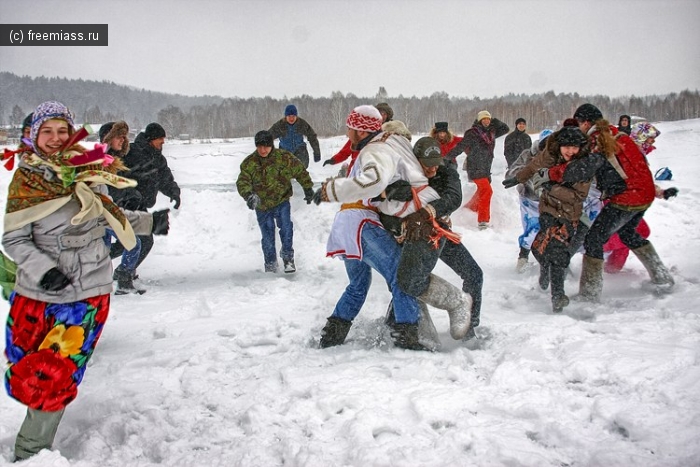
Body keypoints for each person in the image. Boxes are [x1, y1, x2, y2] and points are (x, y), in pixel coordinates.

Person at [2, 101, 166, 461]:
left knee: (53, 372)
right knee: (25, 366)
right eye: (48, 131)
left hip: (88, 291)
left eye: (63, 131)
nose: (56, 138)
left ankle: (31, 451)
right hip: (37, 294)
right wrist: (44, 270)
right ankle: (38, 433)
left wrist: (149, 223)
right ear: (32, 135)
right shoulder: (26, 180)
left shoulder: (88, 171)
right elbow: (13, 239)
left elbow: (110, 214)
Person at [314, 106, 472, 348]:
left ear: (358, 129)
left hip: (346, 225)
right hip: (361, 223)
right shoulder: (378, 149)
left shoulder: (375, 149)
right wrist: (332, 190)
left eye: (349, 127)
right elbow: (375, 182)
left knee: (358, 285)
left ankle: (331, 336)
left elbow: (378, 180)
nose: (346, 132)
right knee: (401, 276)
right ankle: (408, 336)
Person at [564, 104, 674, 301]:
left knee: (593, 240)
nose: (578, 127)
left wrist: (560, 173)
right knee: (628, 233)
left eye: (579, 123)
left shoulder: (597, 139)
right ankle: (662, 277)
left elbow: (587, 168)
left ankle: (589, 296)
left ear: (586, 122)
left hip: (627, 198)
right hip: (644, 194)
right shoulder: (616, 134)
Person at [383, 136, 484, 339]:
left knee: (473, 273)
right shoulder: (403, 172)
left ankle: (469, 327)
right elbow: (386, 201)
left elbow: (454, 197)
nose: (432, 170)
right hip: (413, 236)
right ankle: (408, 327)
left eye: (434, 165)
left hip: (439, 233)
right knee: (409, 280)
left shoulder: (446, 170)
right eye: (426, 166)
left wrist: (427, 212)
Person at [504, 124, 594, 312]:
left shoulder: (584, 165)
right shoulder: (550, 155)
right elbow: (533, 166)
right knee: (539, 246)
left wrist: (549, 187)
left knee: (557, 250)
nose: (571, 151)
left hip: (570, 214)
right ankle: (545, 268)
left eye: (575, 147)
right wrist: (518, 178)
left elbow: (578, 196)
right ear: (559, 146)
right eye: (567, 146)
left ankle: (558, 296)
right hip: (547, 210)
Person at [602, 122, 678, 273]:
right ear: (641, 137)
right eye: (650, 138)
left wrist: (661, 192)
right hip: (618, 203)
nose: (653, 142)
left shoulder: (637, 154)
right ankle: (592, 248)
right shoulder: (628, 154)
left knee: (633, 234)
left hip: (629, 203)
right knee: (635, 233)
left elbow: (643, 182)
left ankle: (612, 270)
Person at [236, 130, 315, 273]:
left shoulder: (283, 158)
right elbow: (243, 181)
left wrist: (308, 188)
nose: (263, 150)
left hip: (281, 201)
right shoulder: (250, 163)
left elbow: (300, 171)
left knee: (286, 229)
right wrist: (249, 195)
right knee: (267, 235)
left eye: (266, 146)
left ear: (271, 145)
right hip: (262, 205)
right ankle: (270, 263)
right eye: (259, 147)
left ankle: (288, 258)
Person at [108, 122, 181, 275]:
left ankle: (113, 266)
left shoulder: (158, 158)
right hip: (125, 204)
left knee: (132, 242)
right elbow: (115, 173)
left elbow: (165, 179)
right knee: (141, 241)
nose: (163, 142)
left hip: (141, 205)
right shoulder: (131, 152)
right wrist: (127, 194)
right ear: (151, 138)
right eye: (160, 138)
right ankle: (122, 273)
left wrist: (174, 193)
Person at [99, 121, 147, 294]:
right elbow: (103, 188)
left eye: (124, 137)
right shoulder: (102, 160)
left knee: (103, 250)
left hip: (108, 211)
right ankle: (123, 280)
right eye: (119, 137)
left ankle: (106, 284)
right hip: (103, 213)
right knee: (133, 243)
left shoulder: (114, 159)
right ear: (109, 138)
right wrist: (129, 195)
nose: (122, 140)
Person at [446, 110, 509, 229]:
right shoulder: (472, 133)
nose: (486, 121)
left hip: (485, 167)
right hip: (474, 166)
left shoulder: (491, 132)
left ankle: (469, 209)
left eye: (488, 119)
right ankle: (483, 221)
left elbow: (505, 128)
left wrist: (493, 119)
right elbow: (461, 146)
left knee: (482, 191)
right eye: (484, 119)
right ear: (479, 120)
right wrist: (448, 157)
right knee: (487, 190)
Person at [504, 129, 553, 273]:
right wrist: (527, 171)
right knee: (532, 229)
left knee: (552, 231)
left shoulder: (557, 156)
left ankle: (555, 264)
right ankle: (523, 259)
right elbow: (510, 172)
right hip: (529, 199)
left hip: (550, 200)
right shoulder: (528, 154)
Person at [322, 103, 393, 171]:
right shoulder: (361, 131)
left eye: (384, 114)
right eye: (380, 113)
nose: (382, 116)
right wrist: (334, 160)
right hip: (354, 169)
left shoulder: (390, 133)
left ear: (388, 116)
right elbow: (346, 151)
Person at [268, 104, 321, 168]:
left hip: (300, 150)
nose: (291, 118)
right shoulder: (280, 125)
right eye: (289, 116)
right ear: (285, 116)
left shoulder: (301, 124)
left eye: (293, 116)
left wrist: (317, 152)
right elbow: (267, 137)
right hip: (285, 151)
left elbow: (312, 137)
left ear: (296, 116)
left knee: (301, 168)